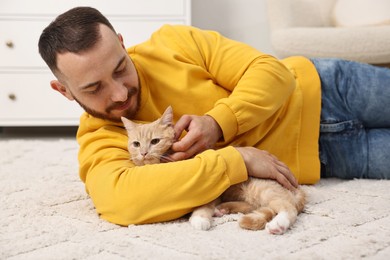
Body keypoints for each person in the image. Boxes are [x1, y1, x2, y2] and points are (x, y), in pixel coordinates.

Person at [38, 7, 390, 226]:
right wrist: (235, 159)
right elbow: (121, 201)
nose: (118, 93)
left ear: (121, 42)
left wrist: (219, 122)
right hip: (328, 159)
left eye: (120, 67)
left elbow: (271, 71)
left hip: (326, 87)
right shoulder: (100, 139)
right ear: (64, 91)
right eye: (94, 88)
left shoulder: (172, 42)